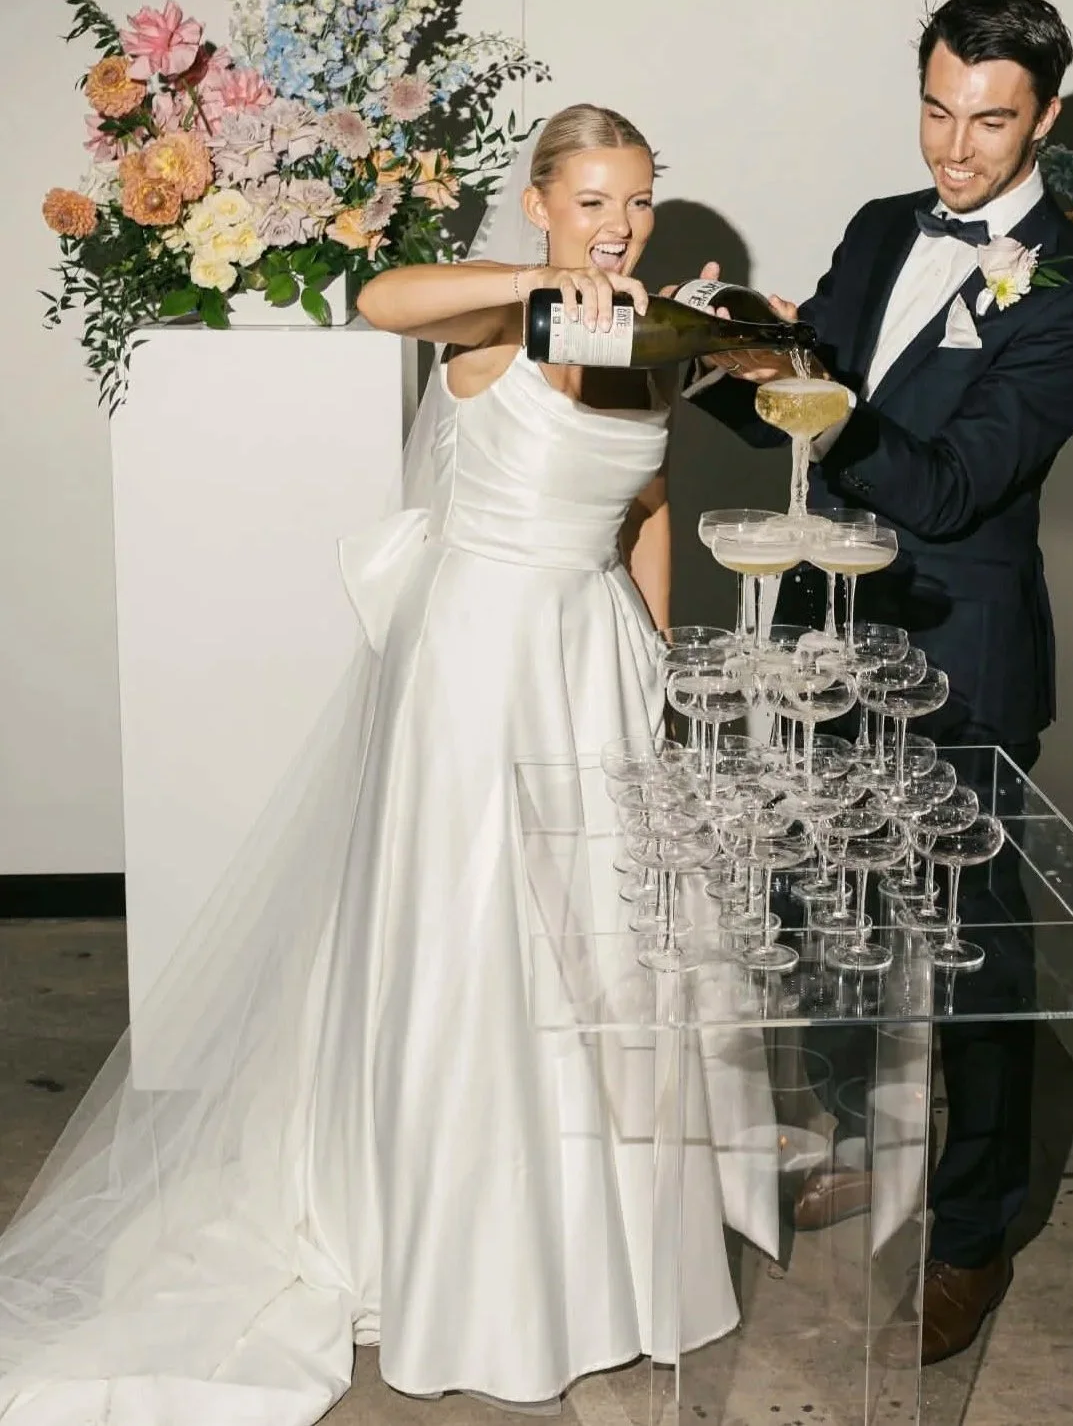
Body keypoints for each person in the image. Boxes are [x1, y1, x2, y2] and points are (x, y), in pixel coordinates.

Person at [0, 104, 775, 1422]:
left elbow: (645, 506)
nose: (619, 226)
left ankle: (610, 1266)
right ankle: (472, 1269)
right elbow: (378, 294)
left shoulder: (646, 345)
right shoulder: (492, 317)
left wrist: (654, 655)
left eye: (637, 201)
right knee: (481, 947)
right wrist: (544, 286)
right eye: (593, 200)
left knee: (608, 946)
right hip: (479, 663)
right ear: (540, 202)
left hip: (589, 654)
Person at [689, 0, 1073, 1364]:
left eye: (989, 121)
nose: (954, 149)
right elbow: (801, 377)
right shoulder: (888, 225)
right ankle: (854, 1132)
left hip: (964, 655)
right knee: (823, 906)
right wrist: (702, 351)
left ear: (1046, 119)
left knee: (981, 963)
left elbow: (947, 484)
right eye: (937, 110)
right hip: (828, 629)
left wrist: (797, 383)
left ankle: (974, 1229)